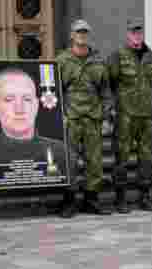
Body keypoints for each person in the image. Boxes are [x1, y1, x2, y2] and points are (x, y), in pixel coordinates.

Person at [55, 19, 113, 217]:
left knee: (94, 161)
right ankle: (69, 200)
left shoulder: (98, 61)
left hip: (93, 119)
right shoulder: (62, 61)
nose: (82, 36)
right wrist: (59, 115)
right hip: (71, 119)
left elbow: (105, 91)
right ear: (72, 35)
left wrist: (106, 117)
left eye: (85, 33)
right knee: (69, 161)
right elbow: (55, 92)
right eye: (79, 32)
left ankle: (91, 199)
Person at [0, 68, 68, 186]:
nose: (19, 109)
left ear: (36, 106)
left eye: (27, 99)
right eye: (9, 99)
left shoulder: (60, 152)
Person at [107, 17, 152, 213]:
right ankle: (120, 199)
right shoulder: (118, 55)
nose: (137, 35)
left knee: (146, 157)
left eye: (139, 32)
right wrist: (111, 108)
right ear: (127, 34)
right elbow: (109, 83)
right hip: (126, 114)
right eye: (133, 32)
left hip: (146, 115)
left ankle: (144, 197)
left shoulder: (151, 56)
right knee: (122, 157)